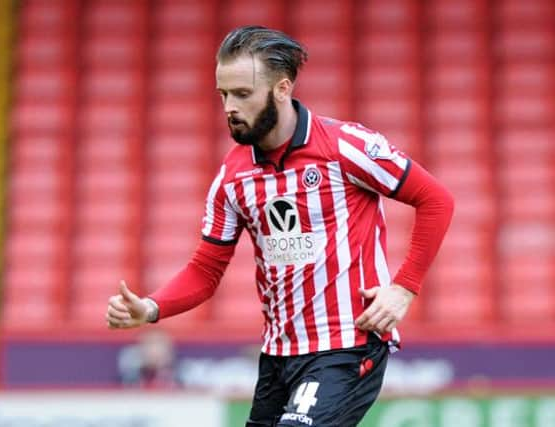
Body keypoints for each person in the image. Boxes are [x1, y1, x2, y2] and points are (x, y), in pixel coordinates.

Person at [106, 26, 454, 426]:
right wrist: (151, 307)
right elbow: (205, 269)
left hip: (347, 344)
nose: (229, 107)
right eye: (223, 94)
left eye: (242, 94)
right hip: (279, 355)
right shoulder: (232, 176)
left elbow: (436, 199)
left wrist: (404, 288)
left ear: (282, 89)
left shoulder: (346, 147)